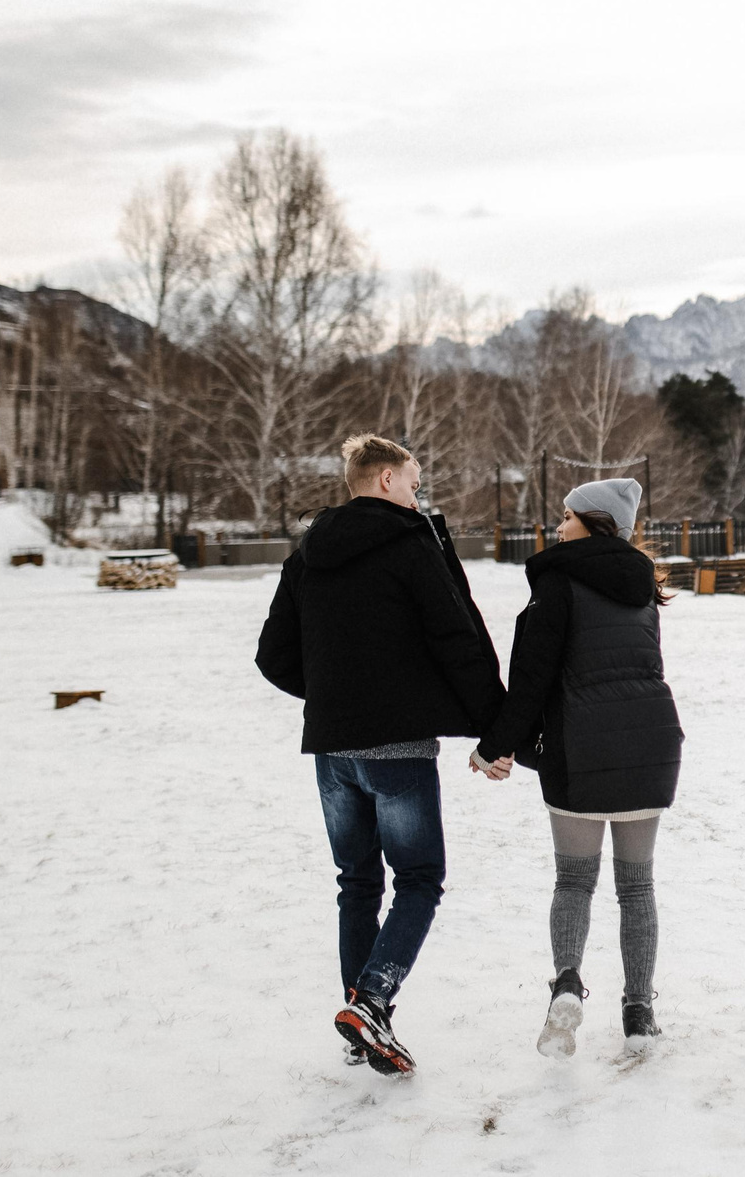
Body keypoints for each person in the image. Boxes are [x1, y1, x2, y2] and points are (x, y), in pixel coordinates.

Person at [256, 434, 505, 1077]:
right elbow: (457, 638)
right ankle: (371, 1000)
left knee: (357, 883)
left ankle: (361, 1023)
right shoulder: (412, 544)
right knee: (419, 878)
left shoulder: (307, 554)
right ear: (389, 480)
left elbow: (273, 657)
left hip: (332, 747)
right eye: (415, 483)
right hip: (397, 746)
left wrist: (338, 696)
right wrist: (496, 728)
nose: (418, 494)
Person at [472, 476, 684, 1057]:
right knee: (637, 889)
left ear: (592, 521)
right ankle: (639, 1011)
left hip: (583, 751)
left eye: (566, 516)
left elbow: (532, 681)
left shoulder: (558, 583)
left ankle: (567, 984)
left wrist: (496, 746)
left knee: (574, 881)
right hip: (650, 745)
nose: (558, 525)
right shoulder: (643, 586)